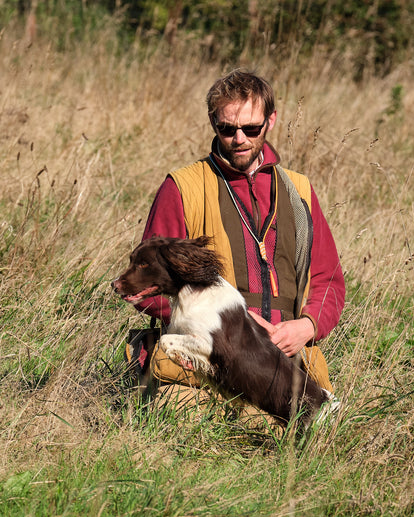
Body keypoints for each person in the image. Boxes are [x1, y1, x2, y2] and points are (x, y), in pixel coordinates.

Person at [132, 68, 345, 395]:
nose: (239, 138)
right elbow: (146, 284)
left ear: (271, 121)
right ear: (213, 122)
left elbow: (328, 281)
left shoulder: (299, 190)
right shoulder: (182, 188)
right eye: (227, 128)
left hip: (285, 363)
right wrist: (229, 322)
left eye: (251, 127)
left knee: (312, 438)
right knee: (184, 432)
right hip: (200, 364)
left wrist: (307, 326)